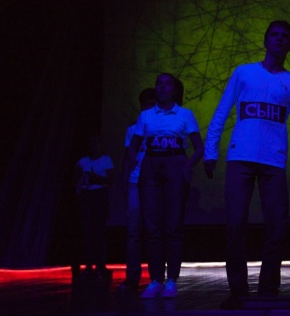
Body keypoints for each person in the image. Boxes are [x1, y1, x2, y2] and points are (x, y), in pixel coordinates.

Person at [204, 20, 290, 309]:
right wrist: (210, 151)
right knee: (236, 225)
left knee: (276, 227)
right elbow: (222, 111)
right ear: (265, 40)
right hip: (240, 159)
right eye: (275, 34)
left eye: (286, 36)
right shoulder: (244, 73)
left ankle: (268, 289)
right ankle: (238, 291)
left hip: (274, 162)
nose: (280, 39)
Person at [124, 73, 204, 298]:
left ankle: (171, 280)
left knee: (173, 225)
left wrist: (186, 166)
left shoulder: (185, 114)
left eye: (167, 84)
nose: (162, 87)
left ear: (174, 90)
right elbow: (133, 145)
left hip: (174, 165)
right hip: (151, 167)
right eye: (159, 84)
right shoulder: (146, 115)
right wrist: (134, 162)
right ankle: (155, 279)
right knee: (152, 226)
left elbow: (199, 147)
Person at [118, 88, 156, 291]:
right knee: (133, 232)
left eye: (151, 105)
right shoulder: (132, 129)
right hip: (135, 182)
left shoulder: (160, 128)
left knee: (153, 231)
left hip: (154, 184)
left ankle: (156, 277)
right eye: (145, 105)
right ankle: (132, 276)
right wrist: (124, 180)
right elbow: (128, 156)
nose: (147, 108)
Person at [75, 134, 114, 281]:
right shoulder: (83, 161)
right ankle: (88, 267)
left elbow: (110, 179)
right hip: (86, 196)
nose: (93, 146)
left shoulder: (106, 159)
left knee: (99, 232)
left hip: (99, 196)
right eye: (91, 143)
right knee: (87, 233)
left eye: (96, 143)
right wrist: (79, 175)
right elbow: (74, 178)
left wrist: (94, 177)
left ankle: (100, 267)